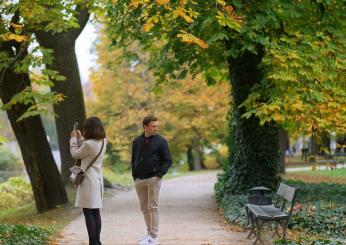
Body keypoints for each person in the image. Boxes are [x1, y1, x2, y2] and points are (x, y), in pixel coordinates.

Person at [131, 115, 172, 245]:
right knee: (144, 208)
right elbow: (133, 159)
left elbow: (168, 160)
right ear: (145, 127)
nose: (156, 128)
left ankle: (154, 237)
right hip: (139, 180)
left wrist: (159, 174)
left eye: (156, 126)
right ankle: (149, 235)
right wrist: (134, 175)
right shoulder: (137, 141)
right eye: (153, 126)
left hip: (154, 178)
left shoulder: (161, 141)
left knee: (153, 207)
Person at [70, 116, 107, 245]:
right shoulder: (103, 142)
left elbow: (76, 154)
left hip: (88, 181)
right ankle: (97, 241)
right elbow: (86, 151)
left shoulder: (89, 144)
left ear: (89, 129)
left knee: (88, 212)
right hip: (98, 180)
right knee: (95, 211)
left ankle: (93, 242)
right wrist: (80, 138)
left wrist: (73, 139)